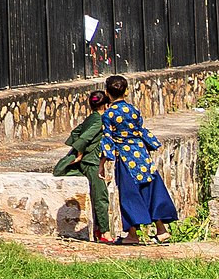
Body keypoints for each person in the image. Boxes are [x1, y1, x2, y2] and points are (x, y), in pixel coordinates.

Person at [98, 74, 178, 244]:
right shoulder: (134, 110)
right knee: (150, 188)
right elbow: (141, 130)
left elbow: (107, 139)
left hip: (126, 158)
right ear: (126, 91)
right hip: (142, 154)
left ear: (107, 93)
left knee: (129, 194)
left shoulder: (108, 114)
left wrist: (102, 164)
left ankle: (133, 234)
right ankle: (161, 229)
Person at [53, 90, 115, 243]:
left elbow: (76, 132)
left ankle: (98, 230)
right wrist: (80, 154)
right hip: (91, 162)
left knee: (98, 195)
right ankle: (105, 233)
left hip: (90, 160)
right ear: (106, 105)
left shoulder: (91, 118)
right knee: (101, 197)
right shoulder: (98, 121)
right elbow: (84, 138)